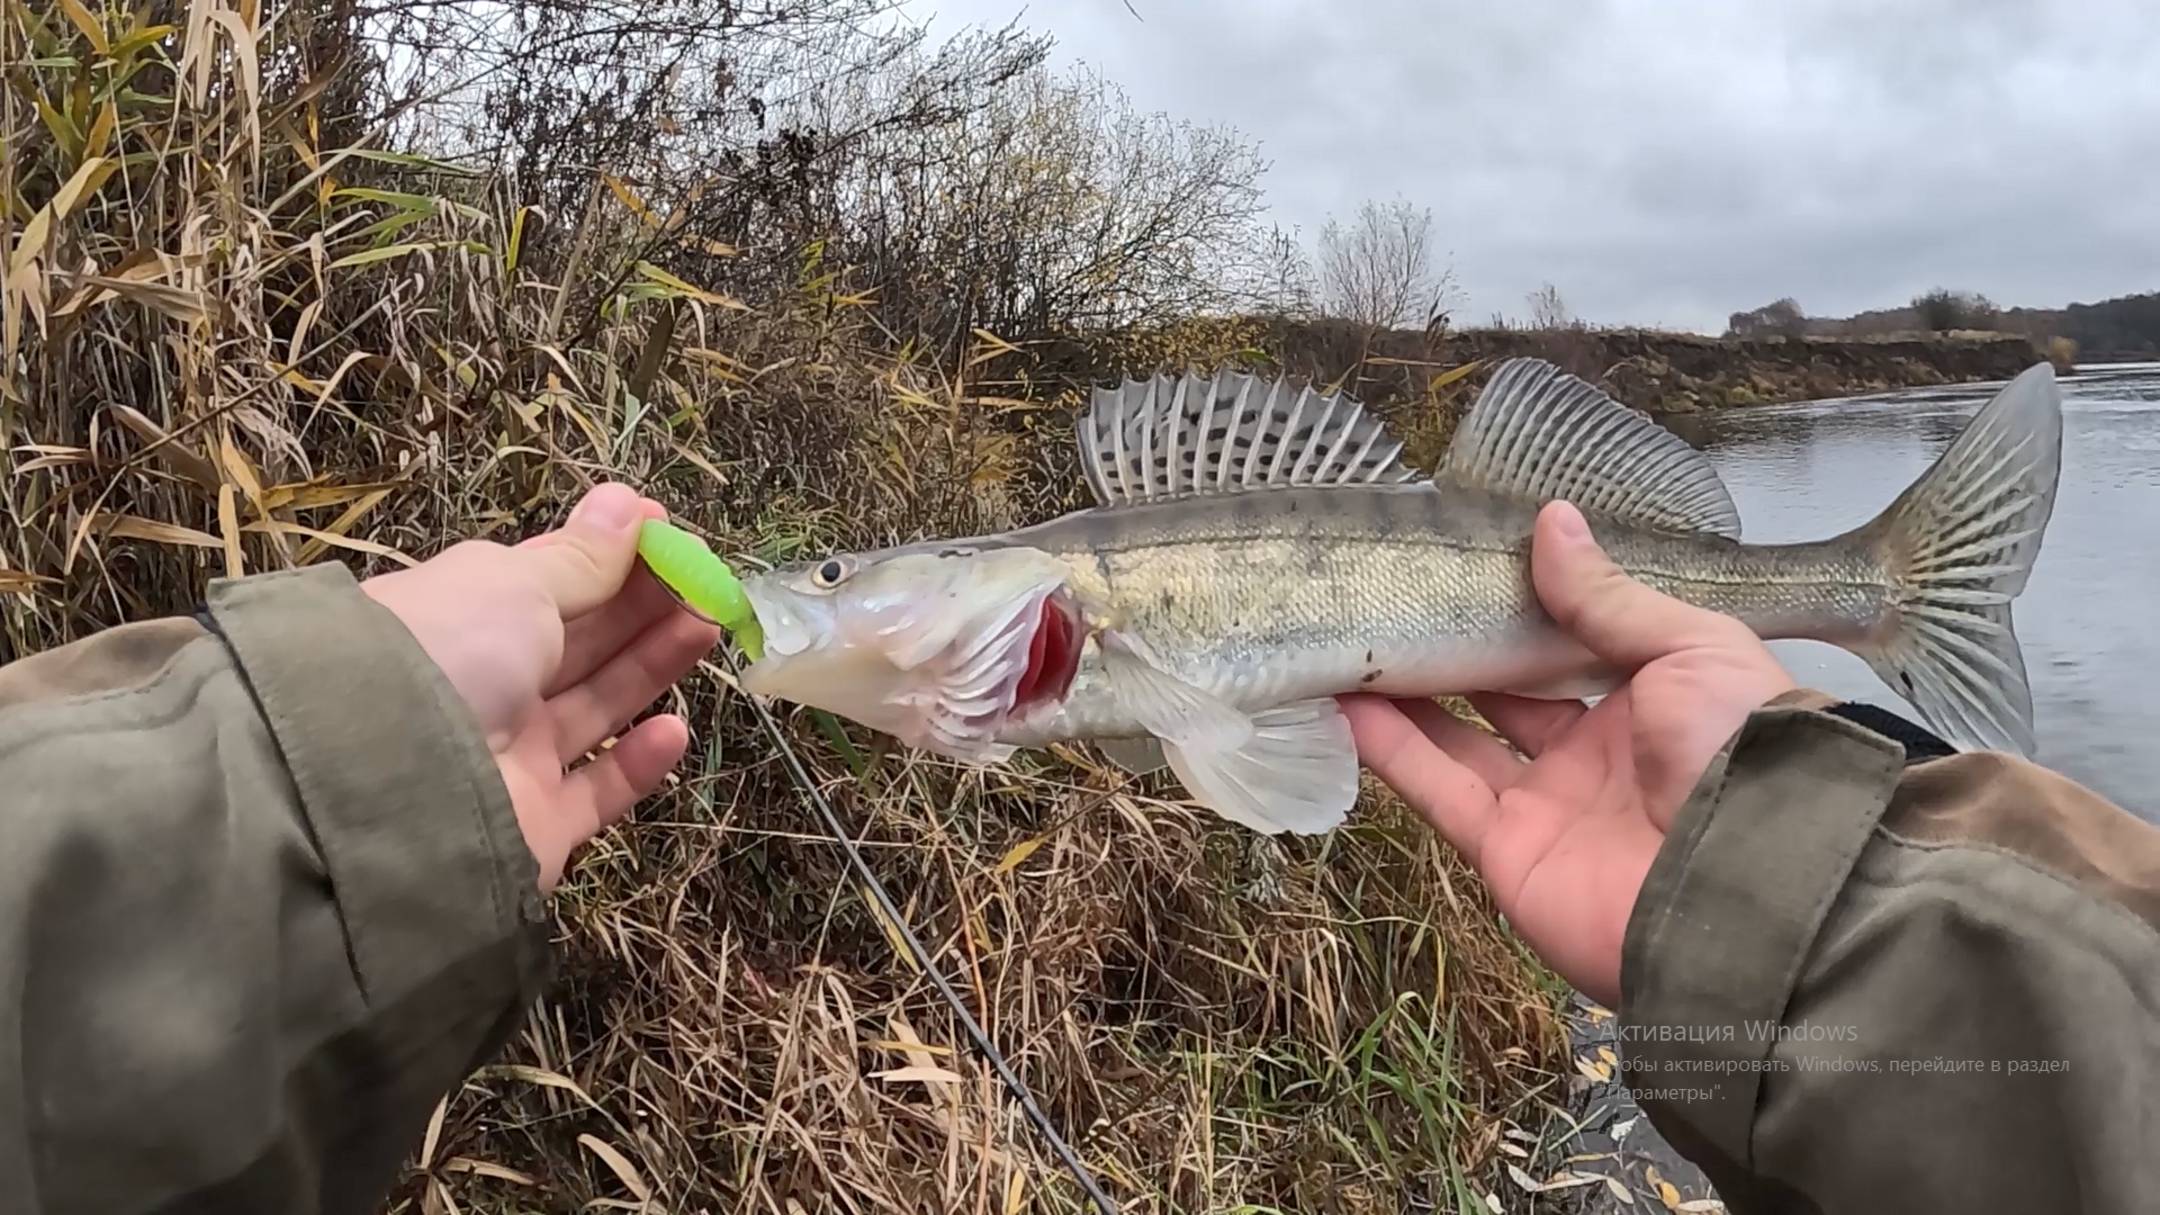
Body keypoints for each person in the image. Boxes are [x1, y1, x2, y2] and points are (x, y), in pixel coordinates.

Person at [1, 485, 2153, 1214]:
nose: (820, 603)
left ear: (973, 575)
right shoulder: (1024, 649)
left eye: (849, 571)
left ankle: (1881, 578)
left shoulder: (1065, 604)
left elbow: (1264, 752)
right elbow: (1259, 754)